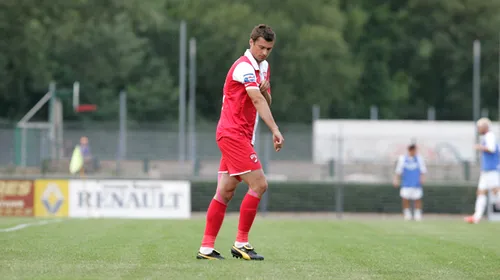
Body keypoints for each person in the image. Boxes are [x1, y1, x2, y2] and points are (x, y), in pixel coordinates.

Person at [196, 24, 284, 261]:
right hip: (233, 135)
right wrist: (275, 129)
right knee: (260, 184)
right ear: (251, 42)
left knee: (224, 192)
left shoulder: (263, 68)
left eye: (269, 49)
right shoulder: (243, 67)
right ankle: (241, 243)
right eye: (261, 47)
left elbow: (266, 98)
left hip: (240, 136)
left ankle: (206, 248)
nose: (265, 52)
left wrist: (265, 91)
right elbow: (255, 99)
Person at [464, 117, 500, 224]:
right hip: (486, 170)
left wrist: (480, 147)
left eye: (479, 127)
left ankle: (476, 217)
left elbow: (491, 148)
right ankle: (476, 217)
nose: (478, 129)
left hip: (491, 169)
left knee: (496, 191)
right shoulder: (487, 136)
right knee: (481, 192)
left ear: (485, 127)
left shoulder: (489, 136)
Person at [392, 144, 427, 221]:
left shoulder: (419, 159)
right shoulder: (403, 159)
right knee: (405, 199)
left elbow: (423, 171)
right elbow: (398, 171)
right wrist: (396, 179)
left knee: (418, 199)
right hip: (406, 183)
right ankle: (407, 214)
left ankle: (417, 214)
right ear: (409, 150)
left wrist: (422, 178)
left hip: (416, 183)